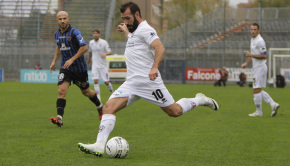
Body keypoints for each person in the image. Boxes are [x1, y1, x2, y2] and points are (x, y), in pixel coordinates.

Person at [77, 2, 219, 156]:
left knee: (174, 111)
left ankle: (200, 100)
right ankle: (99, 145)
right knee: (108, 108)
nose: (126, 22)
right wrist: (126, 30)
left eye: (128, 18)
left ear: (137, 14)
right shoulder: (134, 31)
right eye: (123, 19)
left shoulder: (146, 29)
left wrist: (154, 67)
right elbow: (134, 41)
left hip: (149, 83)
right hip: (131, 83)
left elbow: (160, 48)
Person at [49, 11, 103, 127]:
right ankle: (59, 118)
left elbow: (84, 48)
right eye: (60, 19)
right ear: (57, 21)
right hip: (66, 68)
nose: (62, 21)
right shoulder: (56, 34)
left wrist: (72, 59)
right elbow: (59, 48)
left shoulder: (74, 32)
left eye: (64, 18)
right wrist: (54, 61)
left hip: (79, 69)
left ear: (68, 19)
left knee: (86, 92)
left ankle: (100, 106)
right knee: (61, 91)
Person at [242, 23, 279, 117]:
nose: (253, 31)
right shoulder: (253, 39)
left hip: (260, 67)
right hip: (257, 68)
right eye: (251, 29)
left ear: (258, 31)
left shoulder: (260, 41)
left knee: (256, 90)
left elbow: (264, 55)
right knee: (258, 90)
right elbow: (253, 54)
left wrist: (250, 55)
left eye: (255, 29)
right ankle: (273, 104)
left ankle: (259, 112)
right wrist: (246, 62)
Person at [87, 29, 114, 105]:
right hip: (95, 65)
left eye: (97, 33)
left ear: (99, 35)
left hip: (103, 66)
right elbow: (90, 52)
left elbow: (110, 52)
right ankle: (98, 97)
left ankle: (112, 92)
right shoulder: (91, 43)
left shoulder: (103, 42)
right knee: (95, 81)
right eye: (94, 33)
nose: (95, 35)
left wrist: (105, 54)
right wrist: (89, 59)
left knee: (106, 82)